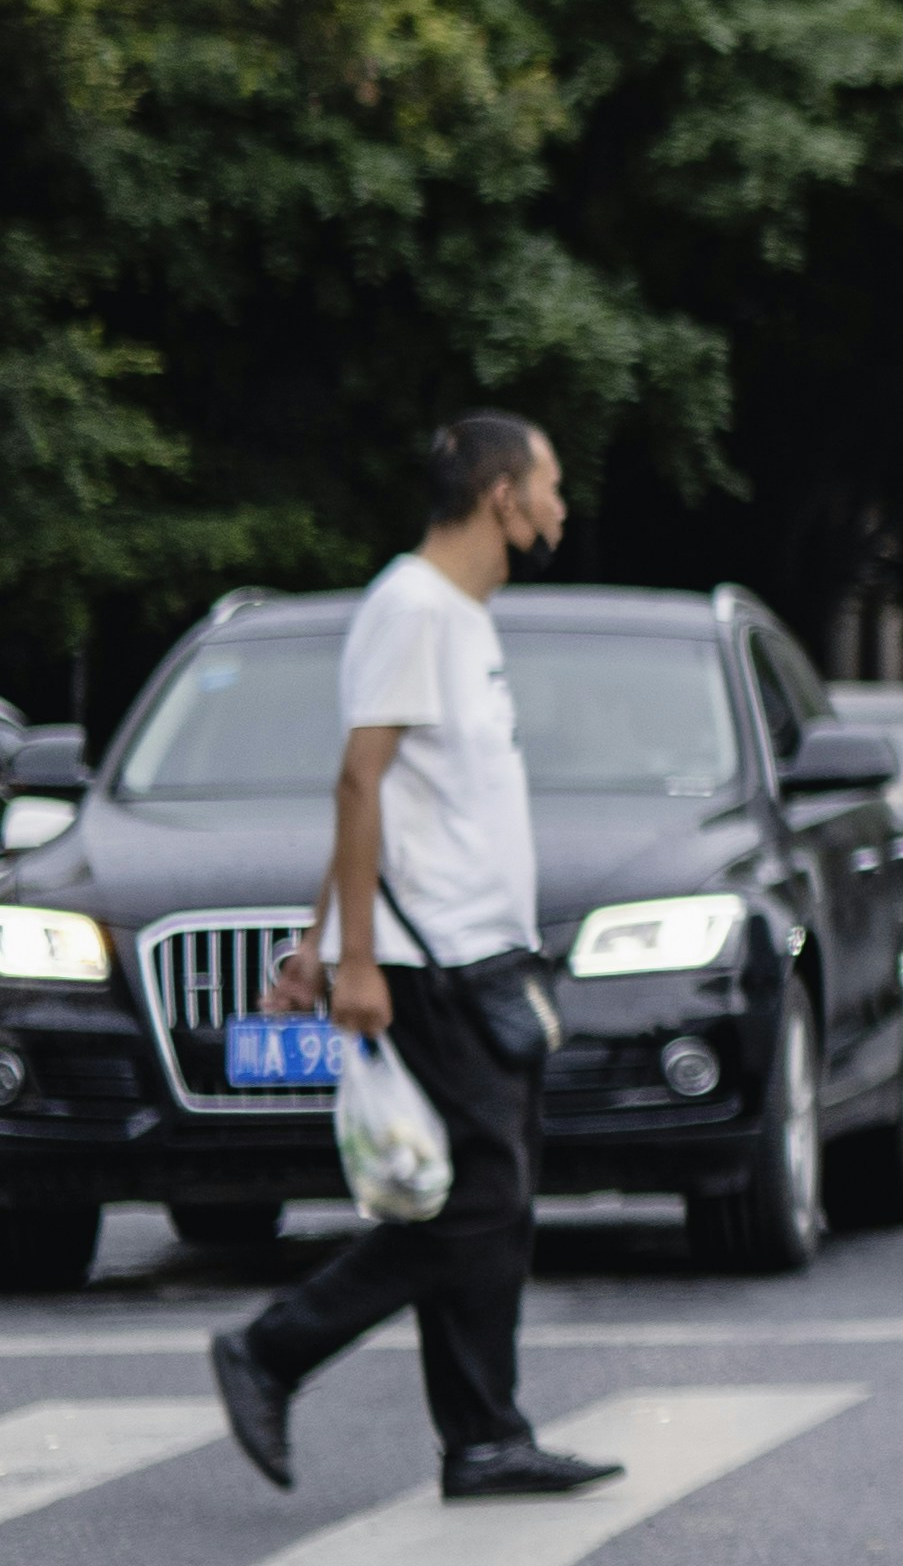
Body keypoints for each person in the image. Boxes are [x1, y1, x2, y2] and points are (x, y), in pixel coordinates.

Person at [210, 414, 615, 1503]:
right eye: (550, 484)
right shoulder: (409, 606)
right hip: (431, 964)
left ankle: (485, 1435)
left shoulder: (465, 618)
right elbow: (357, 780)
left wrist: (312, 937)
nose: (560, 507)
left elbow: (385, 804)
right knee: (477, 1204)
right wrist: (350, 959)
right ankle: (274, 1349)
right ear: (501, 498)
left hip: (483, 952)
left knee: (487, 1204)